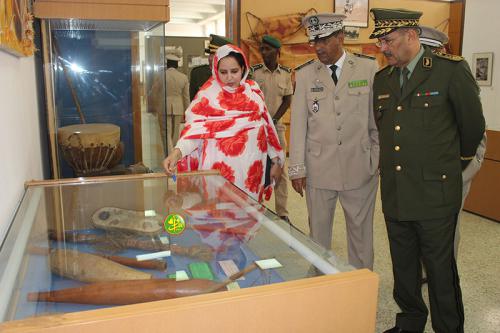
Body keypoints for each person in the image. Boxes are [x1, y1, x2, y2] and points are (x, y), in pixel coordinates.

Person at [370, 8, 486, 333]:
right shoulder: (383, 80)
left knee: (440, 271)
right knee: (404, 270)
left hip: (436, 196)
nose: (383, 47)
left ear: (411, 35)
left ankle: (449, 328)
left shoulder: (449, 72)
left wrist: (452, 169)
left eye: (388, 40)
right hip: (396, 194)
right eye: (380, 41)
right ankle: (410, 323)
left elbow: (473, 127)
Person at [289, 13, 379, 270]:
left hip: (360, 167)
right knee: (318, 237)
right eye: (314, 41)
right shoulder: (305, 75)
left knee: (361, 237)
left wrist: (376, 158)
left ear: (341, 37)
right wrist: (297, 167)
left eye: (325, 40)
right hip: (319, 169)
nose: (318, 47)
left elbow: (376, 121)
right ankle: (321, 287)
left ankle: (361, 290)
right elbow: (298, 125)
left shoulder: (367, 68)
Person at [163, 44, 285, 201]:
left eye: (234, 71)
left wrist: (275, 161)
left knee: (246, 217)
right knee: (217, 217)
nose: (229, 78)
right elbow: (194, 133)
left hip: (251, 173)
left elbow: (267, 128)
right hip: (217, 173)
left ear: (243, 69)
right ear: (215, 70)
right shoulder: (207, 96)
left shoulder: (253, 93)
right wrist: (176, 153)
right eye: (223, 72)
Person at [419, 25, 488, 257]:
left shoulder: (456, 78)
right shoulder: (407, 83)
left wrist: (459, 170)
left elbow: (475, 130)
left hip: (453, 169)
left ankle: (443, 275)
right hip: (420, 171)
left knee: (446, 227)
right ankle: (422, 270)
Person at [250, 35, 293, 223]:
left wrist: (274, 119)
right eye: (262, 49)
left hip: (277, 129)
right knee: (257, 167)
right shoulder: (254, 73)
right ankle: (255, 207)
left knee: (280, 170)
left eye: (267, 49)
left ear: (277, 52)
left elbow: (288, 99)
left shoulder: (285, 73)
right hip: (256, 130)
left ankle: (282, 213)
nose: (264, 52)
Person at [189, 34, 233, 101]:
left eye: (215, 55)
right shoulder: (198, 74)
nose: (210, 58)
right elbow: (193, 101)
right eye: (210, 54)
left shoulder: (234, 75)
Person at [165, 51, 190, 154]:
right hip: (178, 107)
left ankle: (167, 152)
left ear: (167, 64)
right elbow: (186, 97)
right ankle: (174, 152)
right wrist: (187, 112)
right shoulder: (183, 77)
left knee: (166, 131)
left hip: (165, 106)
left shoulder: (161, 76)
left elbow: (155, 92)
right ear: (176, 64)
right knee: (176, 132)